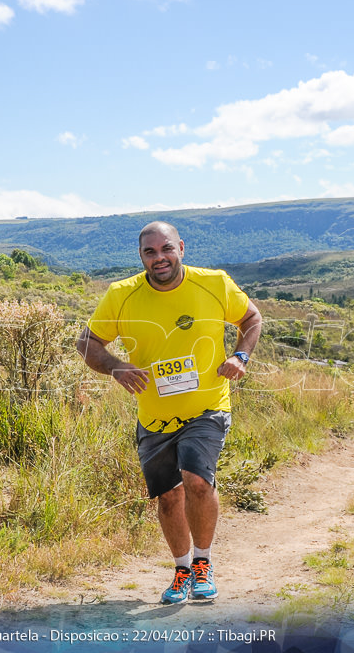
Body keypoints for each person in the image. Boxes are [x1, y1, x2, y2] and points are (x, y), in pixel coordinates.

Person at [76, 221, 261, 605]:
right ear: (141, 257)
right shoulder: (122, 295)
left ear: (181, 247)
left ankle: (203, 564)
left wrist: (240, 355)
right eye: (150, 252)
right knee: (168, 497)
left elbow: (252, 318)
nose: (159, 258)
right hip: (155, 416)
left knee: (196, 480)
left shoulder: (214, 283)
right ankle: (180, 570)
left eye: (165, 249)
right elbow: (88, 342)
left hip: (207, 405)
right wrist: (115, 366)